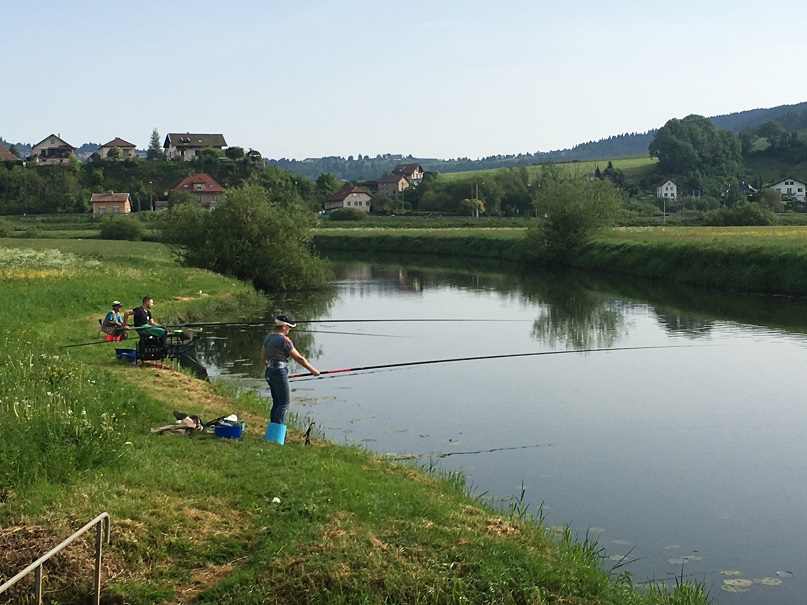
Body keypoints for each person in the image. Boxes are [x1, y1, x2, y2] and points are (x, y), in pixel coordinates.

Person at [261, 315, 320, 425]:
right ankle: (278, 430)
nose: (289, 329)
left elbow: (263, 357)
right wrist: (314, 371)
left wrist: (267, 363)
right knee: (284, 403)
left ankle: (273, 429)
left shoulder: (268, 337)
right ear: (284, 326)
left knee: (276, 403)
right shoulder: (285, 340)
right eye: (289, 327)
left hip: (269, 371)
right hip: (280, 372)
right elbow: (299, 358)